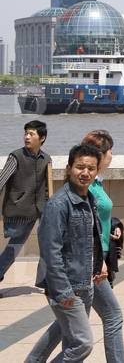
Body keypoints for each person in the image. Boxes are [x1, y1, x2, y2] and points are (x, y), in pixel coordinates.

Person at [29, 131, 124, 362]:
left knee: (71, 335)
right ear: (69, 168)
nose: (85, 173)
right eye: (80, 167)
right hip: (68, 283)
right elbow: (50, 252)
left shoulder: (88, 198)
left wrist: (99, 263)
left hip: (87, 278)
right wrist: (62, 291)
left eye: (90, 169)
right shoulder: (59, 204)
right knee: (82, 343)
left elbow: (92, 237)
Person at [0, 120, 52, 289]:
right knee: (14, 247)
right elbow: (1, 181)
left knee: (49, 244)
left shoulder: (46, 159)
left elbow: (48, 186)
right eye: (26, 133)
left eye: (31, 134)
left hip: (42, 209)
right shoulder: (16, 156)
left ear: (42, 138)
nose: (27, 137)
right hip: (20, 209)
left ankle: (44, 280)